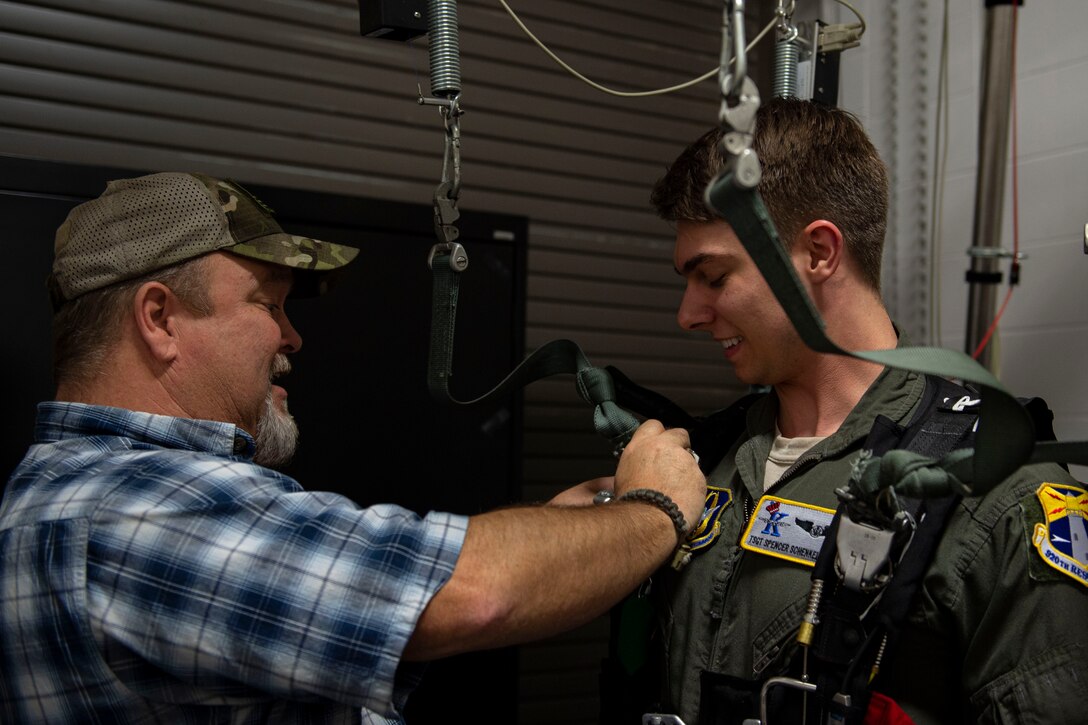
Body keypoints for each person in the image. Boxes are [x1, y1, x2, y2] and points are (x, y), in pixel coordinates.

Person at [0, 171, 707, 724]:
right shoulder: (141, 513)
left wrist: (568, 534)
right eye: (266, 303)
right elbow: (474, 593)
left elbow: (348, 627)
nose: (292, 336)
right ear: (159, 317)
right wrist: (653, 509)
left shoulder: (63, 493)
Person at [624, 98, 1087, 724]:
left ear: (818, 253)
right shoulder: (704, 460)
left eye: (713, 276)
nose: (688, 314)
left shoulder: (1002, 494)